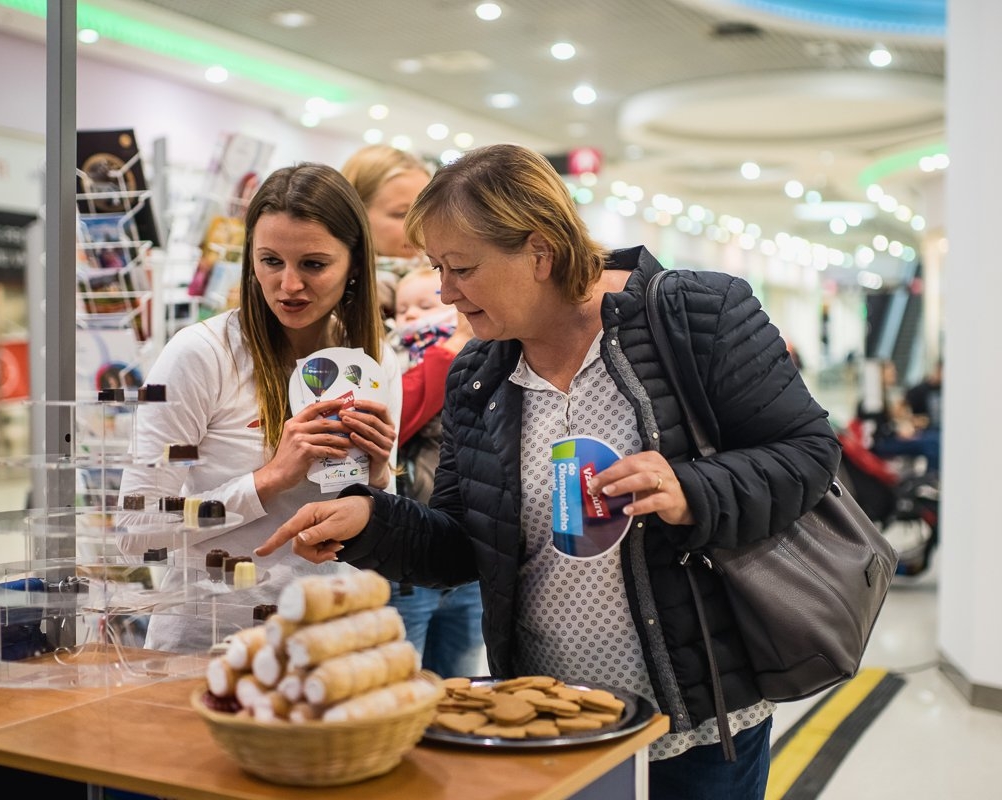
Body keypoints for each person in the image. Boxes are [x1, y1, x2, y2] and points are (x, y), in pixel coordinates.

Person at [258, 143, 841, 800]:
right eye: (437, 269)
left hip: (698, 717)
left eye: (463, 269)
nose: (445, 292)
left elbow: (807, 455)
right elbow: (461, 543)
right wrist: (372, 519)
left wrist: (692, 492)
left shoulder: (696, 314)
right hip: (549, 721)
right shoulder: (478, 376)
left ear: (540, 252)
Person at [117, 163, 402, 653]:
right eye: (271, 261)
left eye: (313, 264)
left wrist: (377, 481)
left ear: (355, 263)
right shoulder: (201, 355)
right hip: (207, 644)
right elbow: (135, 530)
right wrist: (268, 479)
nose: (289, 285)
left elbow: (378, 518)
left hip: (326, 642)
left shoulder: (374, 360)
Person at [345, 143, 486, 679]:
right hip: (395, 539)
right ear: (356, 213)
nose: (414, 228)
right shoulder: (352, 312)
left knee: (463, 690)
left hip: (465, 537)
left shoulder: (458, 292)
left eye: (424, 208)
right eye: (398, 214)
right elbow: (387, 420)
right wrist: (451, 352)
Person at [387, 267, 485, 678]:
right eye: (403, 309)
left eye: (425, 306)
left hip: (472, 560)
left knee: (460, 684)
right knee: (399, 683)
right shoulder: (394, 361)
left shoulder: (489, 353)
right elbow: (400, 421)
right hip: (410, 557)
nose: (412, 317)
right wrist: (451, 353)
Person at [341, 144, 432, 319]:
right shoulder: (341, 294)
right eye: (401, 214)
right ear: (355, 215)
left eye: (426, 213)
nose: (419, 227)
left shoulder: (446, 280)